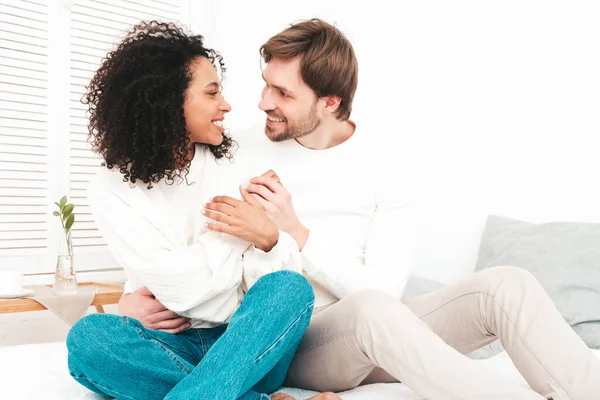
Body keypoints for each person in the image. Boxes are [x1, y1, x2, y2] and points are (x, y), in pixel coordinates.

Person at [119, 19, 600, 400]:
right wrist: (130, 299)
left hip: (381, 329)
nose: (263, 102)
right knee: (371, 312)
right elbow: (171, 218)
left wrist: (296, 232)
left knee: (506, 284)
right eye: (266, 85)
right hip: (294, 341)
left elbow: (386, 292)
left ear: (330, 102)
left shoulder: (387, 164)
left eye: (283, 93)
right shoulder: (232, 149)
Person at [65, 21, 337, 400]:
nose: (225, 105)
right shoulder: (111, 189)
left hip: (247, 345)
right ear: (167, 102)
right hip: (169, 343)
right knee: (88, 339)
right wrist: (236, 232)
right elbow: (183, 292)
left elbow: (265, 284)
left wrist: (267, 239)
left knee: (289, 288)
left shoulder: (236, 163)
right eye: (212, 93)